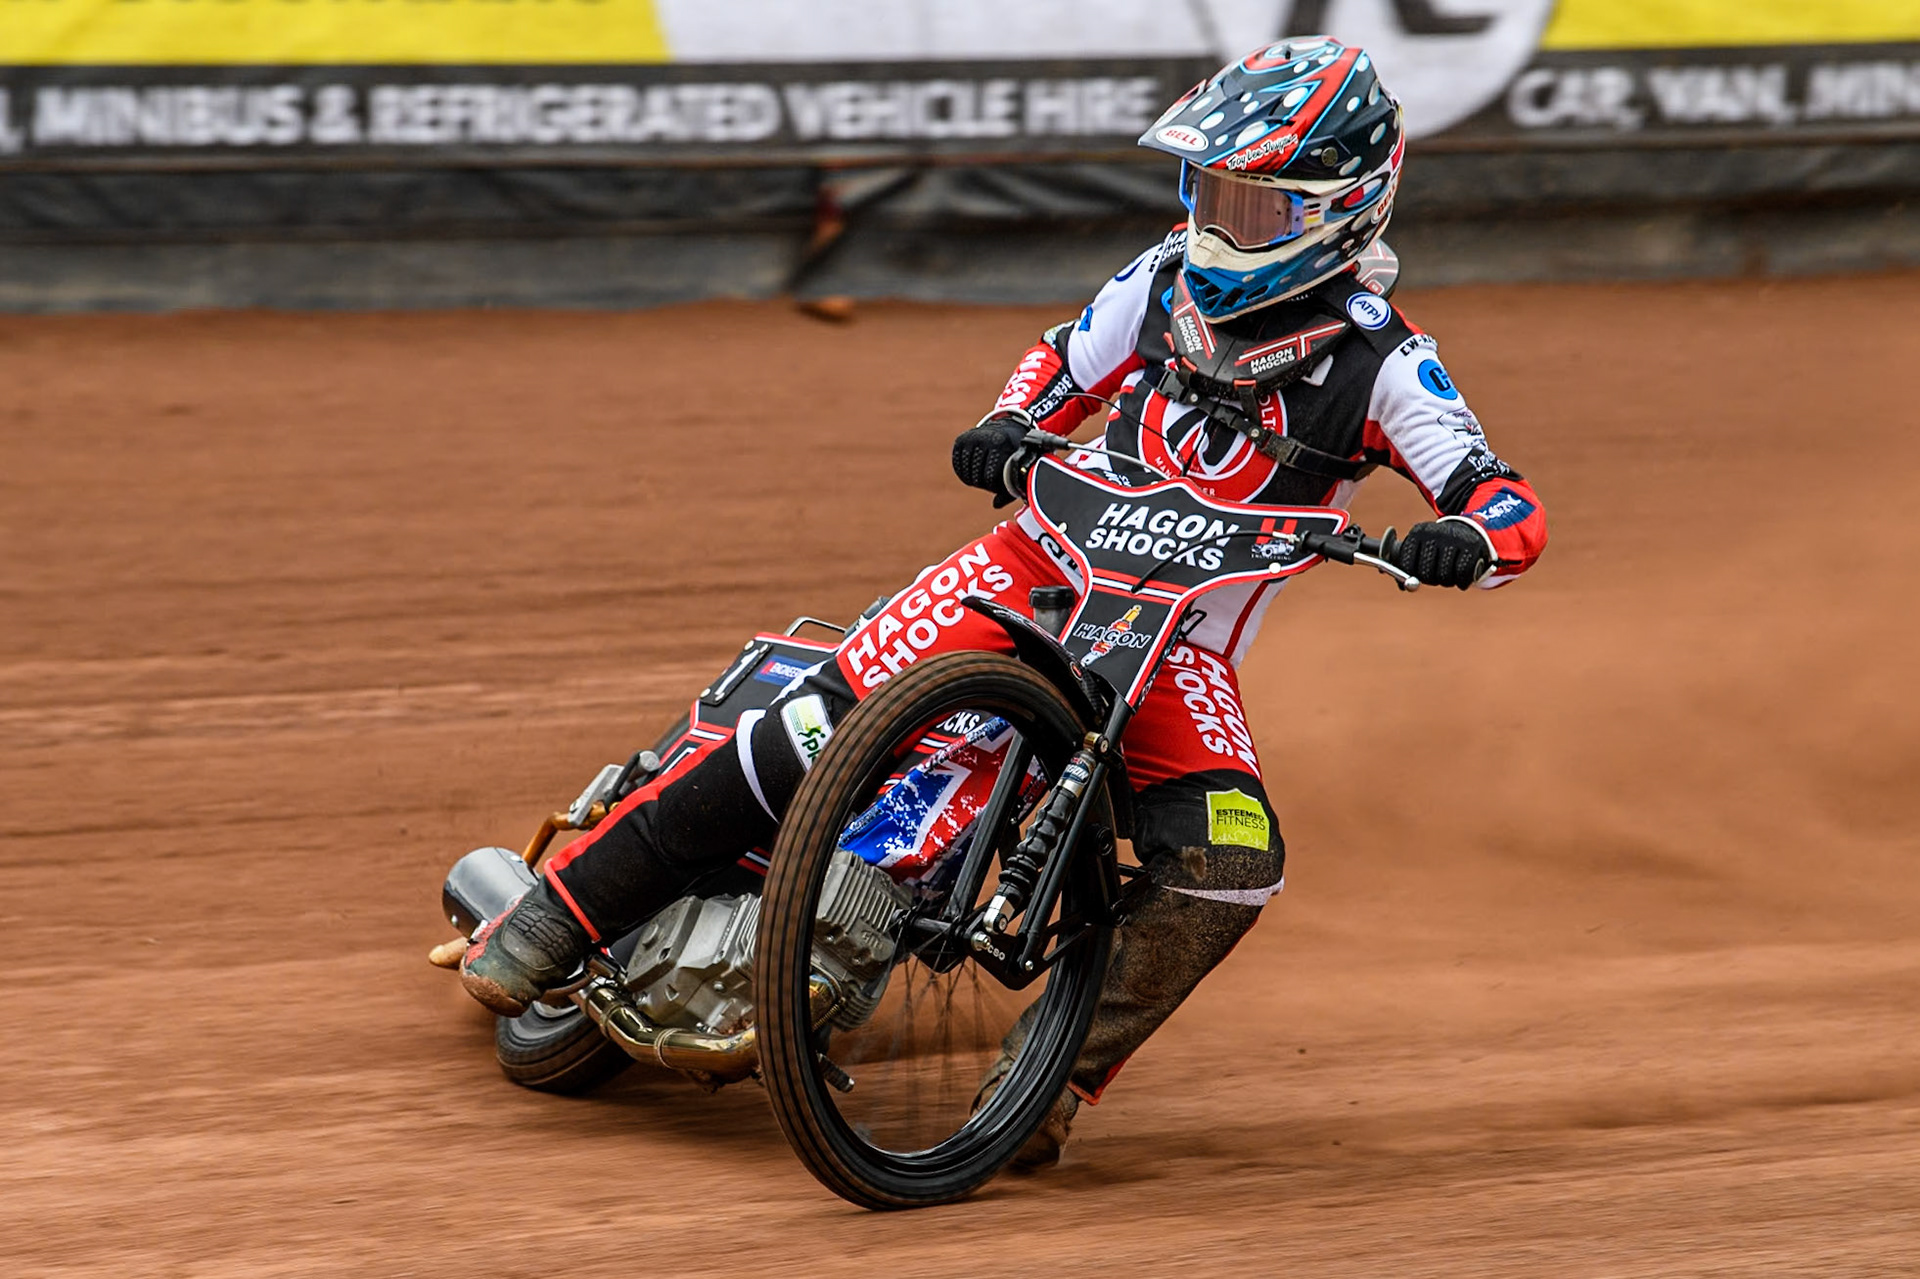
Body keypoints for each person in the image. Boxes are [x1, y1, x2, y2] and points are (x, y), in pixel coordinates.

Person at [460, 37, 1548, 1165]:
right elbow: (1062, 364)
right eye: (1211, 191)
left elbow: (1508, 502)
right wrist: (1010, 423)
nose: (1219, 226)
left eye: (1256, 207)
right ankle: (551, 917)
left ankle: (1049, 1083)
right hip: (1028, 565)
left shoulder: (1389, 364)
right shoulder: (1163, 276)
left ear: (1342, 210)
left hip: (1174, 648)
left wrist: (1464, 540)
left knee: (1233, 860)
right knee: (809, 724)